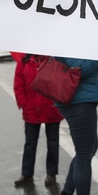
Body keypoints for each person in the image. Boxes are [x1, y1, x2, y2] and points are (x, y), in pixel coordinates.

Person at [52, 57, 98, 195]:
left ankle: (66, 193)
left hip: (79, 99)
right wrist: (97, 54)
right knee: (84, 153)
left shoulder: (75, 39)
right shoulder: (72, 39)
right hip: (78, 101)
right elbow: (79, 68)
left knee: (89, 148)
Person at [12, 53, 64, 187]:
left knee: (52, 143)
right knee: (30, 143)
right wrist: (24, 103)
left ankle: (51, 174)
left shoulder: (53, 60)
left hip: (51, 107)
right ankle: (27, 173)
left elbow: (60, 82)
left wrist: (58, 101)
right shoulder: (24, 61)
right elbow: (18, 83)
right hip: (31, 108)